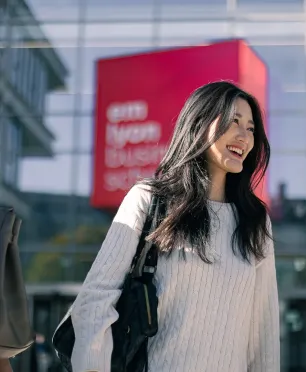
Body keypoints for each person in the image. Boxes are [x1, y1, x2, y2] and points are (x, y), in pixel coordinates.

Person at [70, 81, 280, 372]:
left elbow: (263, 335)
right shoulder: (149, 200)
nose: (245, 136)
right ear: (199, 123)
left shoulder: (255, 221)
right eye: (234, 121)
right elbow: (96, 300)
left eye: (251, 128)